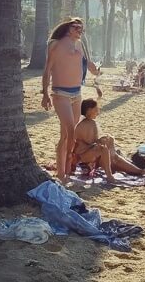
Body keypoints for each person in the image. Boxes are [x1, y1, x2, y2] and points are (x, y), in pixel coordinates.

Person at [41, 18, 100, 180]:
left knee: (67, 135)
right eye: (76, 27)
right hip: (60, 93)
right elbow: (47, 70)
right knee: (69, 131)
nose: (80, 30)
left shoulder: (80, 44)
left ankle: (64, 171)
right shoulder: (56, 44)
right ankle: (64, 173)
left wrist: (94, 70)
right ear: (68, 28)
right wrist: (45, 94)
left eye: (82, 28)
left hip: (76, 93)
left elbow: (87, 63)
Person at [71, 99, 145, 180]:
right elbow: (89, 142)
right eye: (96, 109)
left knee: (110, 143)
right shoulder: (85, 124)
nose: (98, 111)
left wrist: (105, 139)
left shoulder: (91, 123)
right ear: (89, 110)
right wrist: (100, 140)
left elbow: (93, 141)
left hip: (91, 151)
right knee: (104, 149)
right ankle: (110, 174)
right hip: (83, 155)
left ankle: (117, 161)